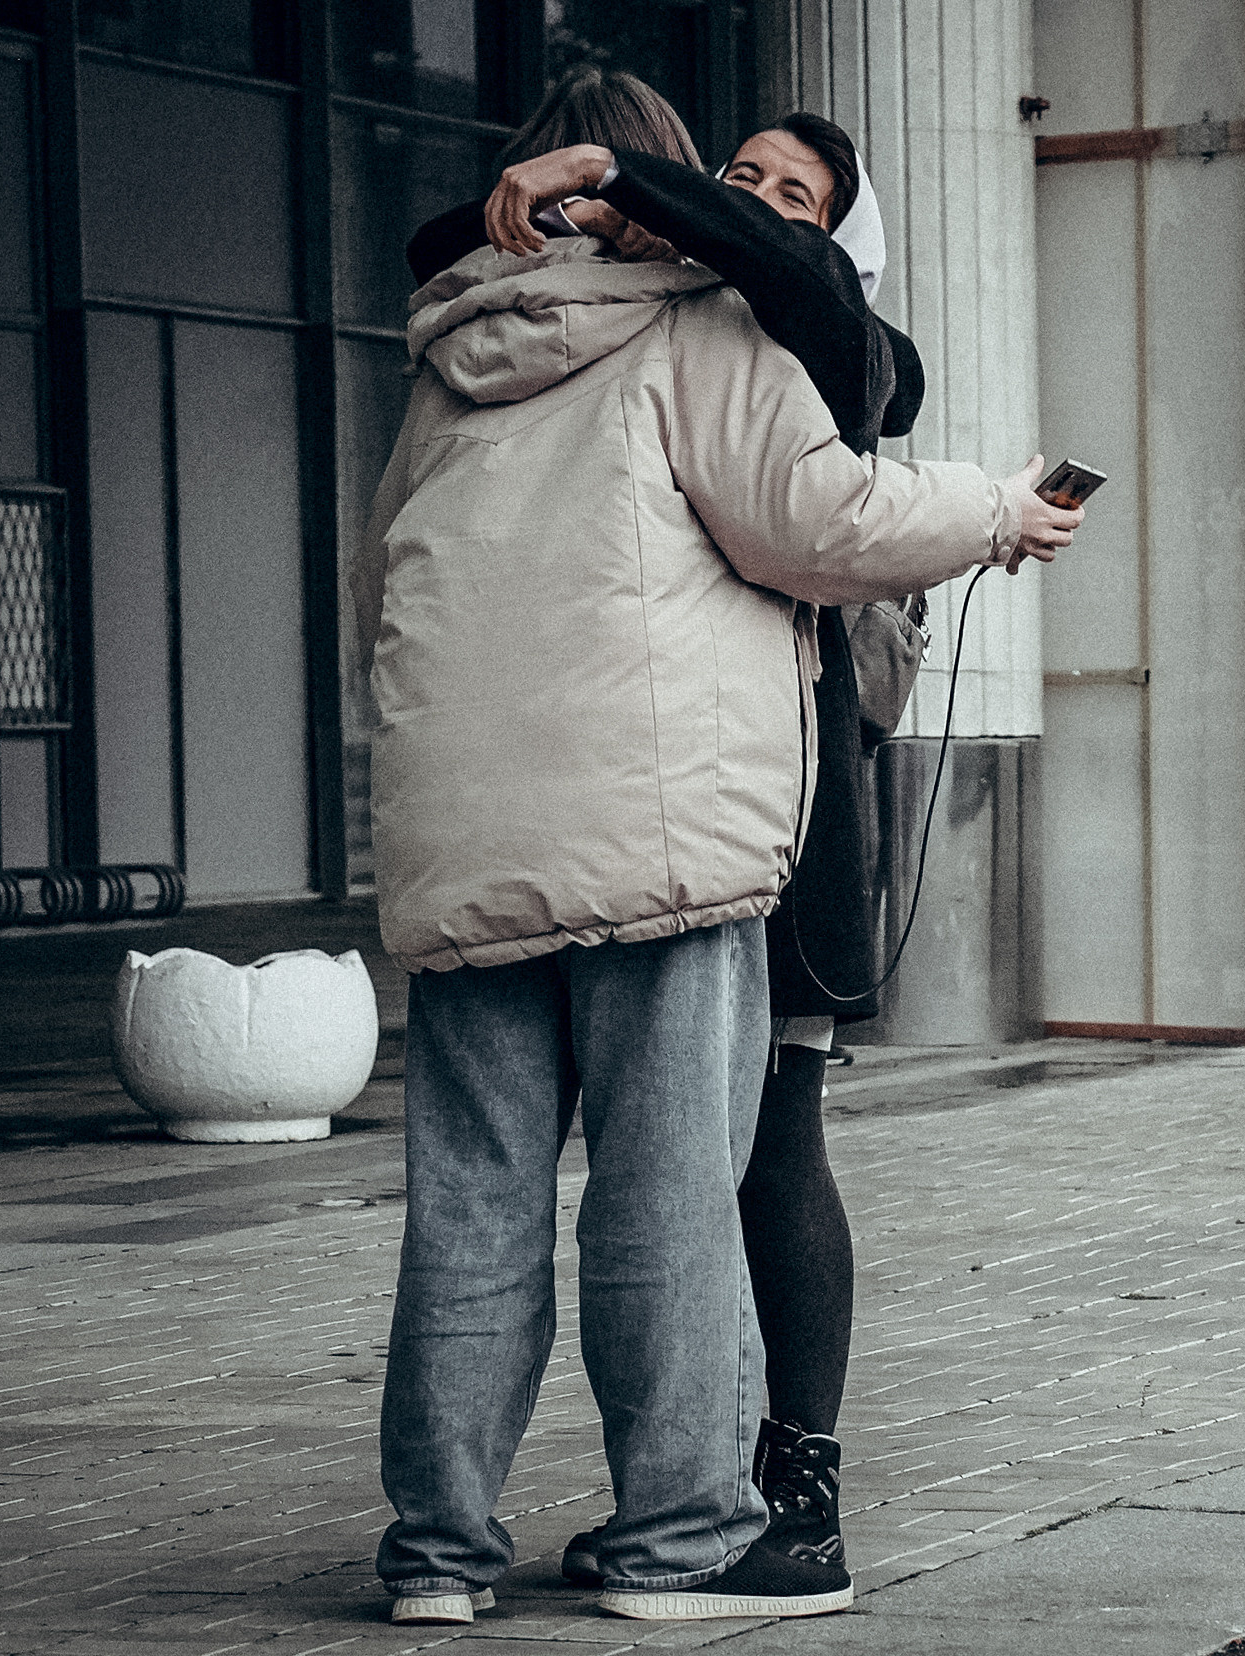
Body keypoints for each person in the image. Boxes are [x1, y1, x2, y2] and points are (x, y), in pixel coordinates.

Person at [354, 69, 1081, 1626]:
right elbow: (816, 524)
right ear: (679, 195)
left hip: (464, 838)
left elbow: (381, 595)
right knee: (667, 1190)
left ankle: (436, 1554)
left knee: (471, 1198)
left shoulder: (446, 362)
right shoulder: (702, 329)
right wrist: (996, 511)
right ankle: (682, 1535)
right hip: (657, 836)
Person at [407, 91, 934, 1591]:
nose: (768, 203)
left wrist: (619, 188)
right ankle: (684, 1525)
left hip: (759, 816)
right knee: (669, 1184)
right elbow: (444, 236)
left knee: (758, 1149)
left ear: (848, 242)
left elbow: (840, 342)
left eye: (803, 195)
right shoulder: (659, 333)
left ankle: (790, 1480)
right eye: (744, 178)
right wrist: (596, 198)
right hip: (673, 808)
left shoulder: (831, 346)